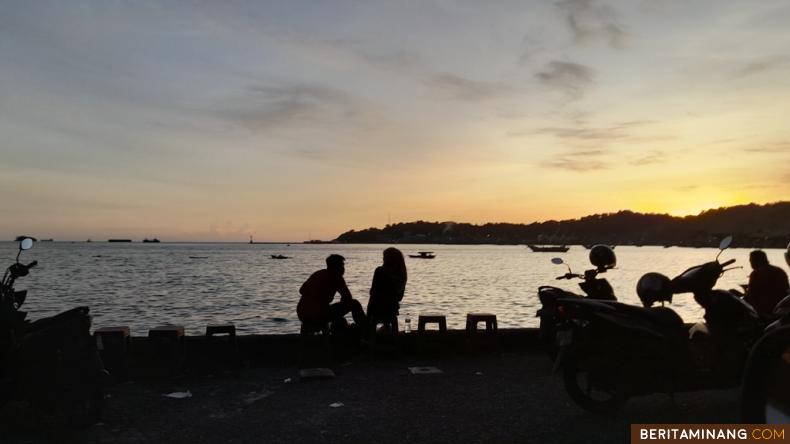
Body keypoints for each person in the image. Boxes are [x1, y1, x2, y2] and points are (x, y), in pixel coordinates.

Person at [297, 254, 366, 330]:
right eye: (342, 265)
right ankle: (366, 331)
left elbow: (301, 290)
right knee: (354, 304)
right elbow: (348, 297)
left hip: (301, 313)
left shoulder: (318, 273)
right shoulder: (337, 277)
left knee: (332, 313)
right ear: (337, 267)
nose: (343, 269)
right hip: (318, 314)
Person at [744, 250, 789, 317]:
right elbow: (787, 290)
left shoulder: (756, 274)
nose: (750, 263)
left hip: (763, 311)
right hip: (779, 309)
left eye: (751, 261)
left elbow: (750, 295)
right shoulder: (779, 271)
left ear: (757, 261)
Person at [367, 247, 408, 322]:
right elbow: (399, 298)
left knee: (373, 300)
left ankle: (367, 326)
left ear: (388, 259)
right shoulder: (401, 274)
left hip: (378, 308)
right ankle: (387, 328)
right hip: (393, 309)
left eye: (384, 257)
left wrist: (368, 314)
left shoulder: (380, 271)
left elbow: (373, 293)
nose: (382, 259)